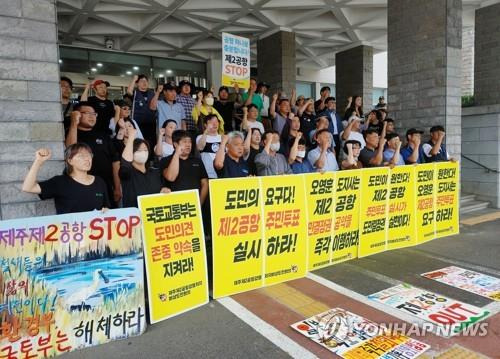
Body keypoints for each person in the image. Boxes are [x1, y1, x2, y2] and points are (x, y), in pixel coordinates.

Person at [22, 144, 110, 214]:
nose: (87, 159)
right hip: (70, 233)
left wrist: (106, 211)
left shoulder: (99, 181)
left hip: (97, 233)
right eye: (81, 156)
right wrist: (38, 161)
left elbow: (106, 207)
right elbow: (28, 187)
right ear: (70, 161)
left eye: (89, 155)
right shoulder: (60, 182)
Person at [65, 101, 121, 207]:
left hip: (106, 186)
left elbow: (115, 162)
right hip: (81, 188)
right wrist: (73, 123)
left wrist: (117, 187)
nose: (92, 116)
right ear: (77, 114)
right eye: (87, 113)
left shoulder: (103, 135)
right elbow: (70, 150)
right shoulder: (72, 133)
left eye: (94, 114)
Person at [119, 128, 170, 208]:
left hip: (153, 215)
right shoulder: (128, 173)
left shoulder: (154, 172)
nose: (143, 153)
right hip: (134, 217)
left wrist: (164, 190)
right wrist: (131, 137)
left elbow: (160, 190)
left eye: (145, 150)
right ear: (132, 153)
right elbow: (125, 162)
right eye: (139, 150)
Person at [161, 130, 208, 205]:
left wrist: (199, 203)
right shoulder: (166, 160)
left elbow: (205, 184)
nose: (188, 145)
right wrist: (177, 153)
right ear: (176, 144)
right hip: (175, 205)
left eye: (189, 142)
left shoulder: (197, 161)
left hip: (195, 204)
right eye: (184, 142)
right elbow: (170, 177)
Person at [126, 74, 156, 150]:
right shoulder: (135, 92)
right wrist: (134, 79)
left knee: (151, 142)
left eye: (146, 81)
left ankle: (150, 160)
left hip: (151, 123)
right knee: (139, 142)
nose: (144, 83)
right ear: (137, 83)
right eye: (142, 81)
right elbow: (129, 91)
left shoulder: (152, 93)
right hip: (138, 123)